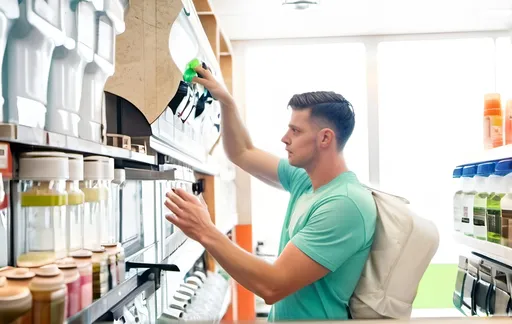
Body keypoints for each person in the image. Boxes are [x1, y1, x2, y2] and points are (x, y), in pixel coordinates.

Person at [164, 65, 377, 321]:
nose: (284, 138)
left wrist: (205, 230)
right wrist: (227, 101)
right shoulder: (305, 180)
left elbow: (273, 286)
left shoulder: (345, 204)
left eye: (296, 131)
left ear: (325, 139)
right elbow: (242, 152)